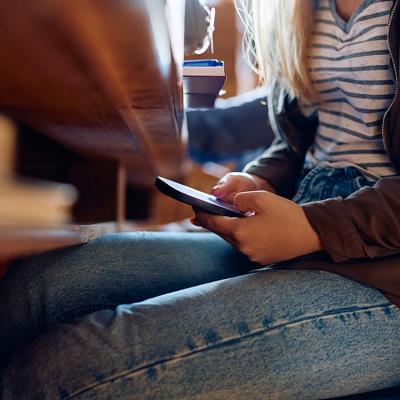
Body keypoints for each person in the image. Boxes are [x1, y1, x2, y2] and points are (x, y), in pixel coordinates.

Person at [1, 0, 400, 398]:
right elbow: (305, 138)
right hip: (309, 220)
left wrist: (316, 228)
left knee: (58, 372)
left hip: (383, 274)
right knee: (37, 290)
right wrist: (261, 179)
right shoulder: (303, 9)